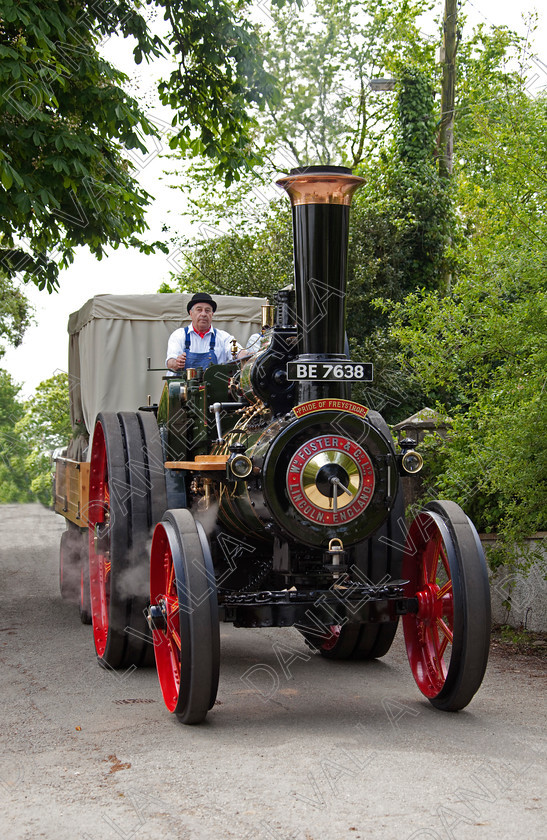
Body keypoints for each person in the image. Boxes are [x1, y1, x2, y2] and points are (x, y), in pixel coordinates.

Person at [166, 293, 247, 373]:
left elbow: (239, 352)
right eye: (199, 310)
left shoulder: (223, 337)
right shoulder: (178, 335)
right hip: (183, 385)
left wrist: (248, 355)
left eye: (207, 310)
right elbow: (170, 363)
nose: (203, 314)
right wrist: (177, 363)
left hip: (214, 386)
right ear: (191, 313)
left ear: (212, 314)